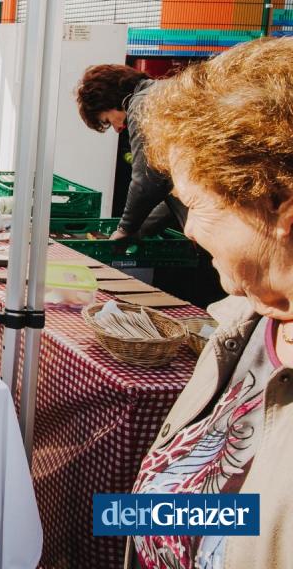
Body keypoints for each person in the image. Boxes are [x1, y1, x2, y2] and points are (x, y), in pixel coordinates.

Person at [126, 37, 293, 569]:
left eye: (197, 204)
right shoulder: (245, 326)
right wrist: (115, 518)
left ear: (282, 210)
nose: (190, 230)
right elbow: (230, 507)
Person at [75, 64, 185, 240]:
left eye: (108, 120)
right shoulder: (166, 92)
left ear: (109, 100)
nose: (117, 129)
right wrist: (140, 230)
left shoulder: (142, 104)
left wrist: (125, 229)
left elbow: (147, 180)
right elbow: (174, 190)